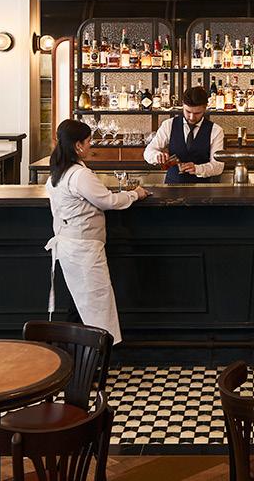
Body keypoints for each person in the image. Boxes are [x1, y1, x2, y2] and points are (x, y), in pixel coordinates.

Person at [45, 119, 148, 343]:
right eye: (88, 141)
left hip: (69, 246)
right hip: (84, 248)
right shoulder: (79, 174)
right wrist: (135, 194)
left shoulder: (57, 172)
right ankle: (93, 354)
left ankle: (75, 352)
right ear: (78, 145)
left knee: (78, 303)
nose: (90, 145)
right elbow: (108, 201)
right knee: (95, 303)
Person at [143, 86, 224, 183]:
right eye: (188, 111)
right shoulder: (169, 125)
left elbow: (218, 166)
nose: (192, 117)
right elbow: (148, 152)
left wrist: (197, 169)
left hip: (202, 188)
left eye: (197, 113)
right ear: (183, 105)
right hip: (172, 186)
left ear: (205, 108)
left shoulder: (216, 130)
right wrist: (157, 156)